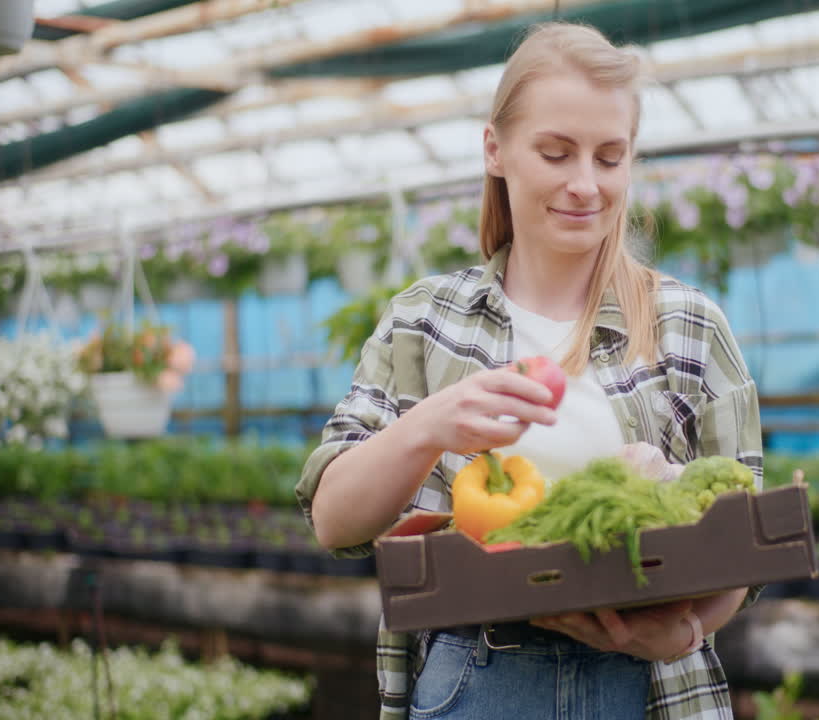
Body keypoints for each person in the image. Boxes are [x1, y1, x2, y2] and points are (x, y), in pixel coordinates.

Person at [296, 21, 764, 720]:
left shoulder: (688, 324)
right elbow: (334, 520)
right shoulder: (426, 319)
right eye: (556, 153)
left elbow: (747, 541)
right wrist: (431, 426)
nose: (585, 184)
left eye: (610, 158)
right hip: (480, 679)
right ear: (496, 149)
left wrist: (683, 629)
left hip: (648, 689)